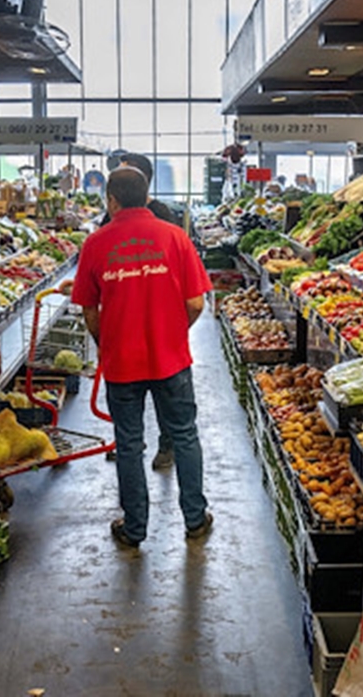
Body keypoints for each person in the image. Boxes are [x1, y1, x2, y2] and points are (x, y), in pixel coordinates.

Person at [72, 167, 213, 549]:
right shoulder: (175, 238)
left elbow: (88, 310)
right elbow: (195, 302)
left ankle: (135, 529)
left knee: (129, 444)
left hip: (122, 363)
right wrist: (173, 331)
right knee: (184, 435)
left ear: (111, 200)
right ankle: (195, 519)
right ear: (147, 196)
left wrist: (108, 339)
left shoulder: (96, 244)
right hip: (172, 360)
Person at [98, 152, 182, 469]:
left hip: (159, 323)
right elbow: (104, 256)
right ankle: (130, 443)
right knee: (133, 398)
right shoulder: (110, 219)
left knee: (164, 396)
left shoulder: (163, 216)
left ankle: (166, 444)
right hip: (126, 323)